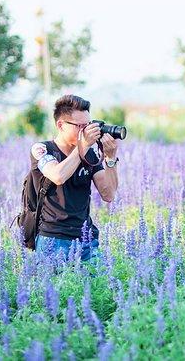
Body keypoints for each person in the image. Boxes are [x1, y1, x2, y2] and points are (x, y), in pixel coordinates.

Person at [30, 95, 120, 261]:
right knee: (53, 287)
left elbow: (109, 195)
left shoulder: (90, 154)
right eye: (80, 126)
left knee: (96, 286)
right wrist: (83, 146)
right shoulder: (42, 149)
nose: (86, 131)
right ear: (60, 125)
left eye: (88, 125)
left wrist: (110, 159)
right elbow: (58, 176)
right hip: (53, 239)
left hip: (86, 239)